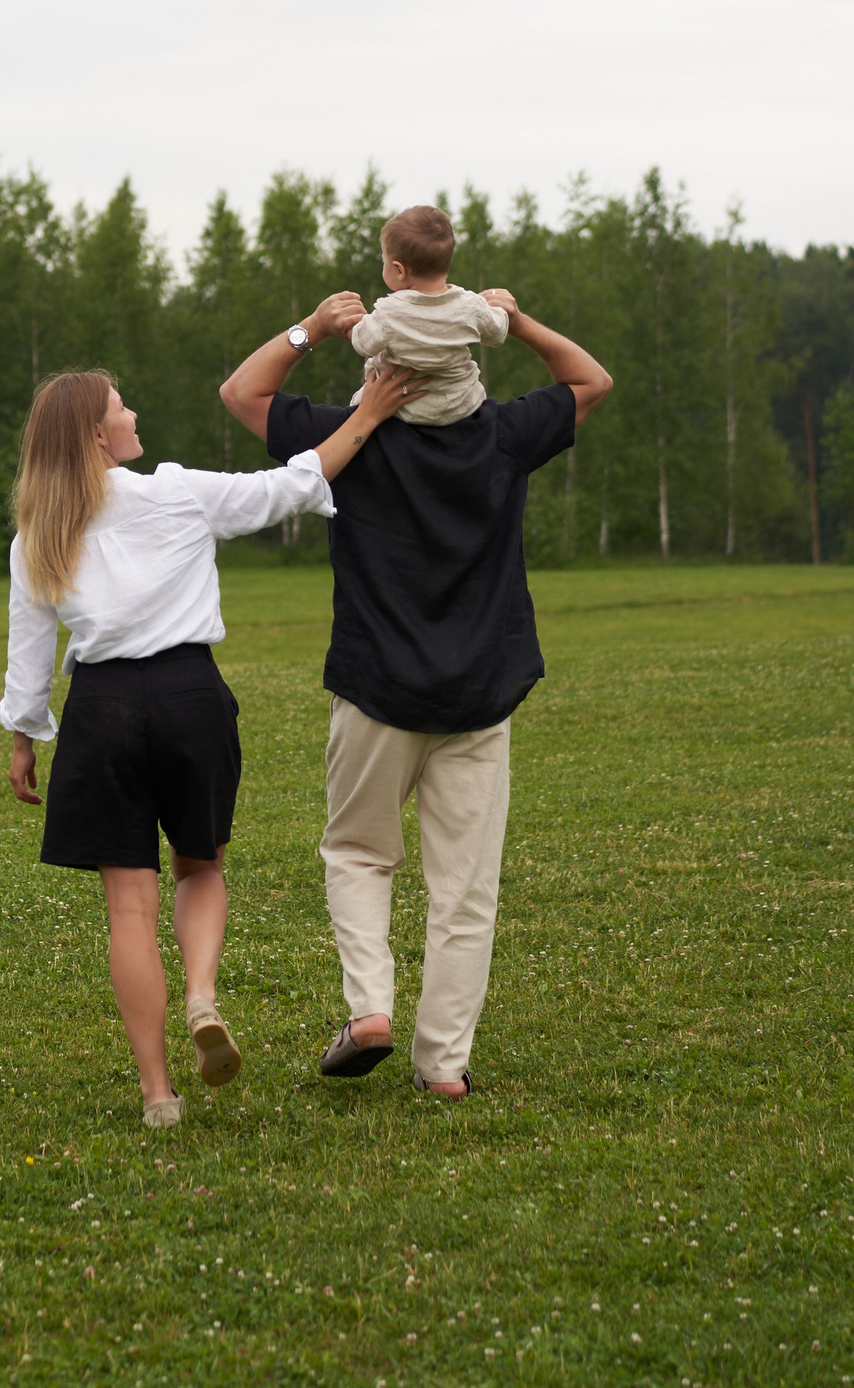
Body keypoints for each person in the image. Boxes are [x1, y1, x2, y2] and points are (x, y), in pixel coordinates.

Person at [219, 254, 612, 1099]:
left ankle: (369, 1010)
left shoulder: (347, 438)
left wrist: (311, 328)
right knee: (464, 890)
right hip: (480, 692)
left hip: (376, 688)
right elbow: (591, 380)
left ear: (383, 356)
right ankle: (443, 1068)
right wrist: (515, 316)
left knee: (358, 853)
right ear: (463, 346)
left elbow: (241, 395)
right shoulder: (505, 435)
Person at [0, 363, 423, 1127]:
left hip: (102, 713)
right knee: (200, 866)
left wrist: (27, 737)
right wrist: (369, 416)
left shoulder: (38, 533)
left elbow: (28, 657)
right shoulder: (173, 490)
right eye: (121, 405)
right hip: (192, 698)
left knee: (129, 906)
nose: (133, 411)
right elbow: (290, 485)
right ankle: (201, 993)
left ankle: (158, 1093)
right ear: (99, 435)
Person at [345, 203, 510, 425]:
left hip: (402, 411)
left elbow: (364, 343)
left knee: (358, 403)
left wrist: (350, 325)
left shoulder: (389, 312)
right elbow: (497, 334)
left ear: (399, 270)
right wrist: (498, 308)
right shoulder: (472, 306)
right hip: (460, 408)